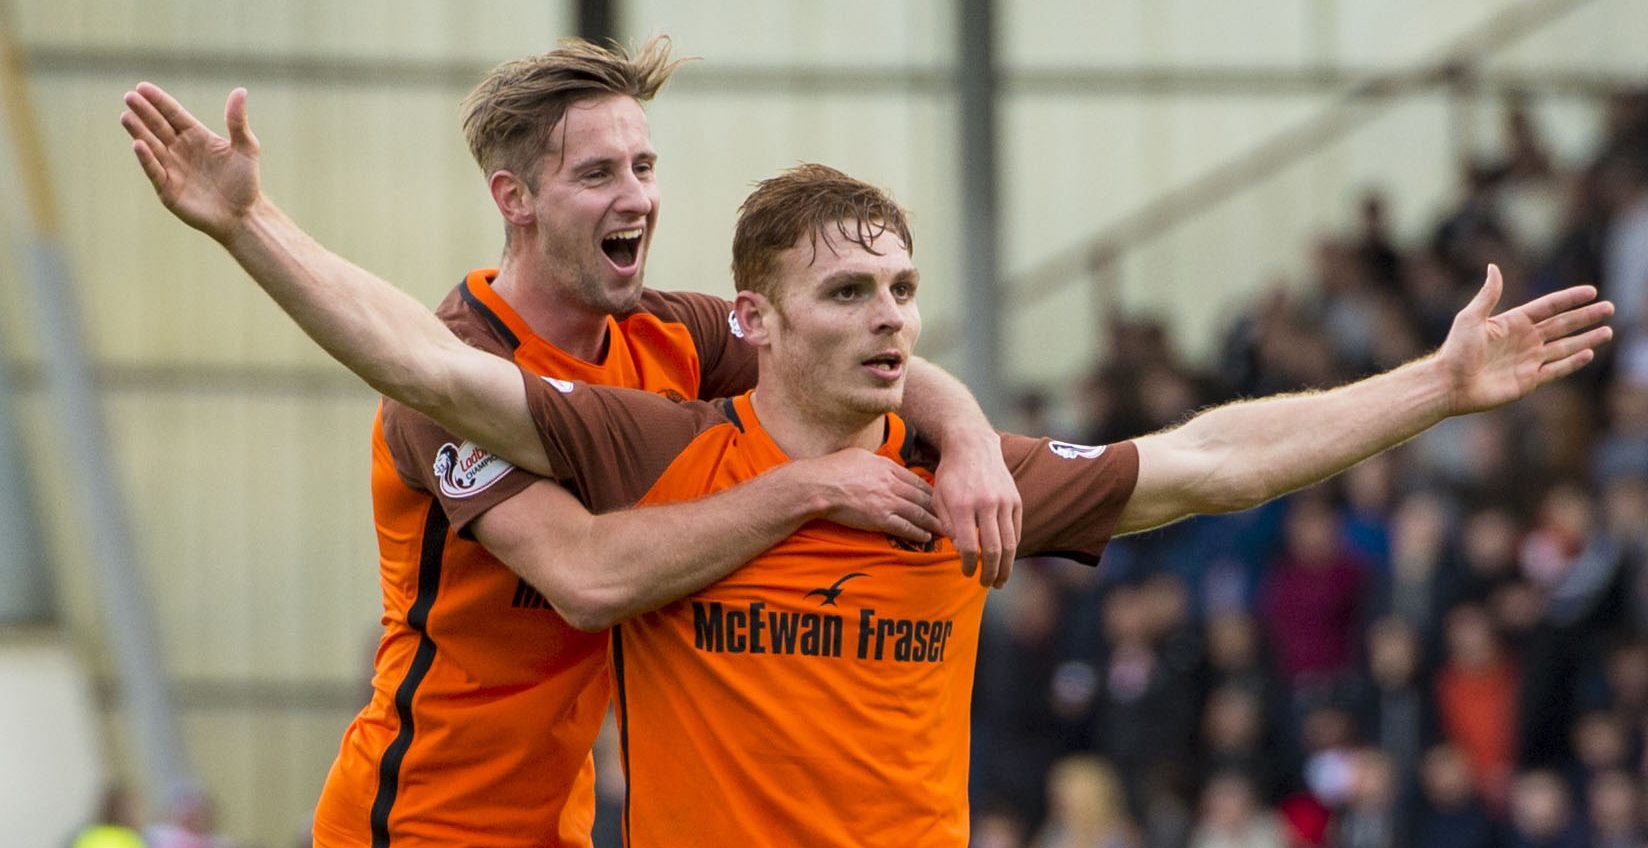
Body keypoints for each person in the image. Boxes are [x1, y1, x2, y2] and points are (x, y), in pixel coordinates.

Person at [127, 79, 1612, 844]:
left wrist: (1434, 383)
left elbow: (1214, 460)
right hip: (425, 820)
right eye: (853, 295)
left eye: (905, 292)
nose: (892, 318)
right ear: (759, 322)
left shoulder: (962, 471)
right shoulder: (650, 447)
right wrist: (250, 225)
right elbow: (436, 388)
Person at [120, 39, 1023, 848]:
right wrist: (812, 487)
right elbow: (591, 582)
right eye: (598, 175)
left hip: (567, 820)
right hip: (422, 821)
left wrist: (971, 440)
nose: (637, 197)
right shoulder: (448, 385)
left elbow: (849, 350)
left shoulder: (673, 335)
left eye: (644, 165)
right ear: (514, 198)